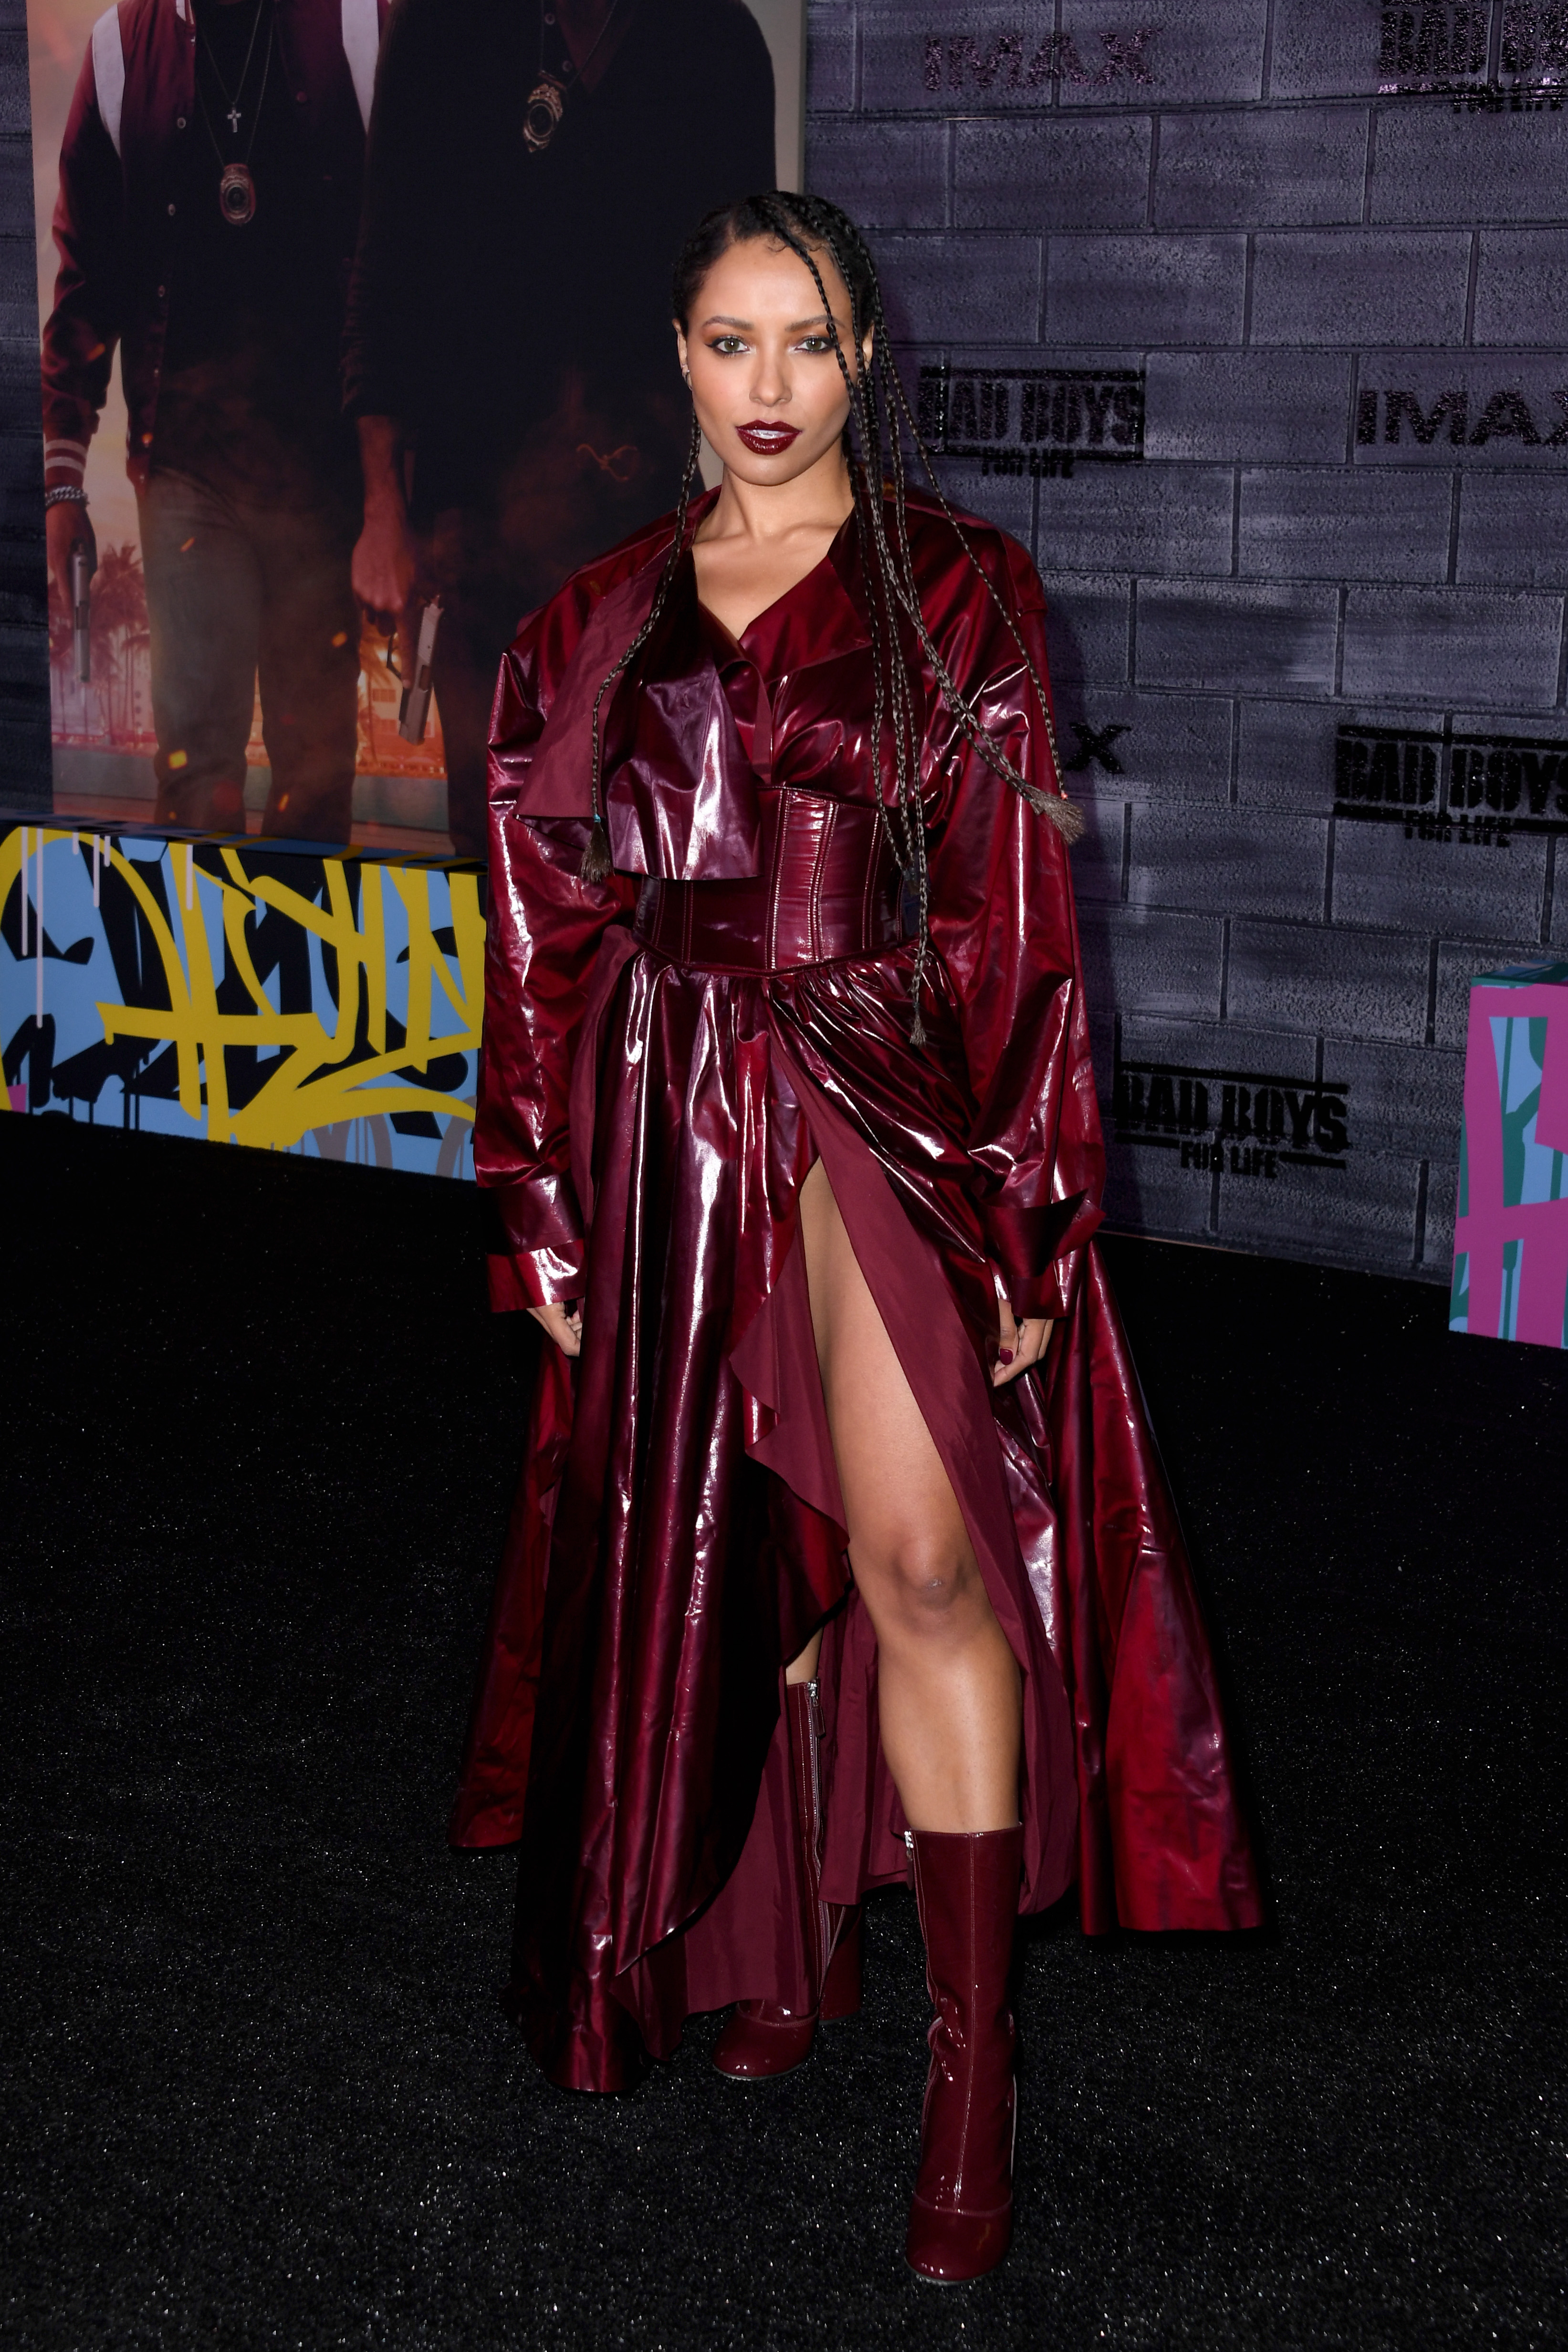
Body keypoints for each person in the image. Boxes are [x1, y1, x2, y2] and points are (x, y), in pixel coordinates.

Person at [458, 193, 1262, 2284]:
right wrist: (537, 1198)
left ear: (863, 359)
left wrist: (1026, 1206)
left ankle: (971, 2073)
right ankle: (786, 1932)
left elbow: (1013, 914)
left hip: (875, 1085)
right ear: (676, 358)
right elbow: (540, 933)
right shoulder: (590, 621)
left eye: (804, 342)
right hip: (661, 1103)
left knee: (913, 1552)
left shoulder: (953, 583)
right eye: (729, 342)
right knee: (730, 1532)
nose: (767, 386)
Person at [342, 0, 774, 858]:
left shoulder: (713, 37)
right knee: (491, 838)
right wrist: (382, 506)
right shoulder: (440, 28)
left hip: (640, 518)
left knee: (626, 839)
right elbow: (384, 275)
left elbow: (745, 305)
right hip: (469, 521)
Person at [42, 0, 383, 840]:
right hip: (186, 471)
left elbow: (405, 251)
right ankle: (198, 932)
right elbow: (87, 280)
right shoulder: (121, 50)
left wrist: (400, 488)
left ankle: (302, 930)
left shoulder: (358, 26)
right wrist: (63, 479)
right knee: (197, 771)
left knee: (315, 777)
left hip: (323, 473)